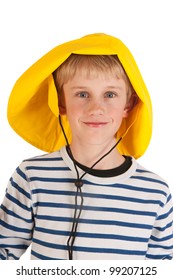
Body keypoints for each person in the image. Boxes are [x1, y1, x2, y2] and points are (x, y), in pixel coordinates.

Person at [0, 33, 173, 260]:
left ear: (128, 105)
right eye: (82, 94)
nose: (96, 108)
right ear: (61, 103)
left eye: (110, 94)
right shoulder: (32, 176)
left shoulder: (155, 192)